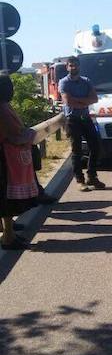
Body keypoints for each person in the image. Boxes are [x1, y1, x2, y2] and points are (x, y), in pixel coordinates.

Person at [0, 73, 38, 249]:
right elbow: (15, 134)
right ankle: (8, 237)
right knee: (5, 197)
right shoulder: (3, 109)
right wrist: (30, 134)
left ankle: (8, 231)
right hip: (4, 157)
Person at [58, 56, 105, 192]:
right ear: (67, 67)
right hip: (72, 119)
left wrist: (78, 100)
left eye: (75, 65)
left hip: (85, 117)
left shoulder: (86, 81)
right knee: (76, 150)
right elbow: (68, 102)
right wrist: (85, 101)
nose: (73, 68)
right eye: (71, 65)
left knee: (95, 146)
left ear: (79, 66)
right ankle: (80, 180)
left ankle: (92, 176)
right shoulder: (63, 82)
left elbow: (95, 99)